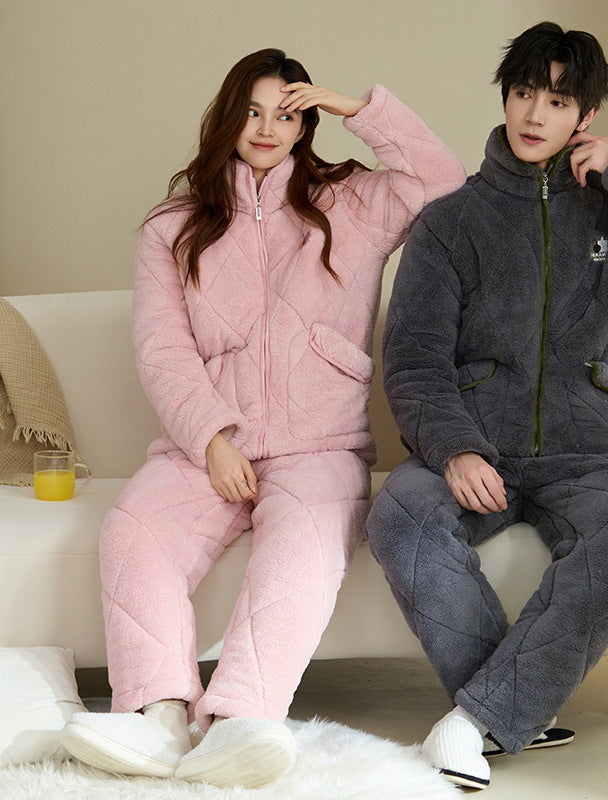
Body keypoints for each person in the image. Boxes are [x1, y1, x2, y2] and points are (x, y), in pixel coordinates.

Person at [60, 48, 464, 789]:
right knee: (134, 530)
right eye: (252, 111)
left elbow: (443, 180)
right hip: (208, 444)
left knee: (302, 546)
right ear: (228, 116)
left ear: (307, 122)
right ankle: (156, 715)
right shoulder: (173, 227)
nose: (268, 128)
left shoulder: (353, 203)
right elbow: (162, 348)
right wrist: (211, 438)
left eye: (287, 113)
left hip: (321, 445)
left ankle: (240, 720)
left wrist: (357, 108)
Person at [366, 21, 608, 790]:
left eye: (559, 101)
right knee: (401, 513)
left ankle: (471, 724)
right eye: (525, 93)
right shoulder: (450, 223)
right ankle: (502, 710)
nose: (535, 114)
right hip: (479, 446)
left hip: (592, 451)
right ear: (506, 96)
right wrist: (455, 448)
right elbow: (414, 359)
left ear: (586, 116)